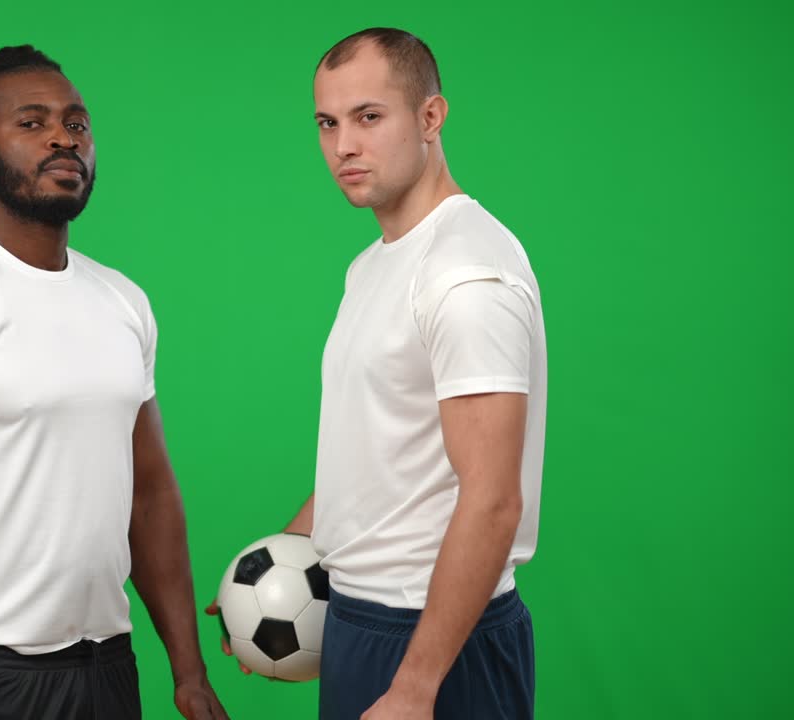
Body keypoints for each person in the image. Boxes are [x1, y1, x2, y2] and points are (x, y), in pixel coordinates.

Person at [0, 45, 227, 720]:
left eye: (77, 124)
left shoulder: (123, 301)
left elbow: (149, 497)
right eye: (31, 124)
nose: (64, 137)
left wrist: (189, 671)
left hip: (107, 667)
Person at [209, 28, 546, 719]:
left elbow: (492, 500)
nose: (343, 147)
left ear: (430, 117)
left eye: (368, 117)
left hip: (437, 641)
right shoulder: (372, 265)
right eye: (327, 124)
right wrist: (275, 574)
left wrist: (417, 685)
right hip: (361, 622)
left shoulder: (463, 271)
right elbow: (373, 458)